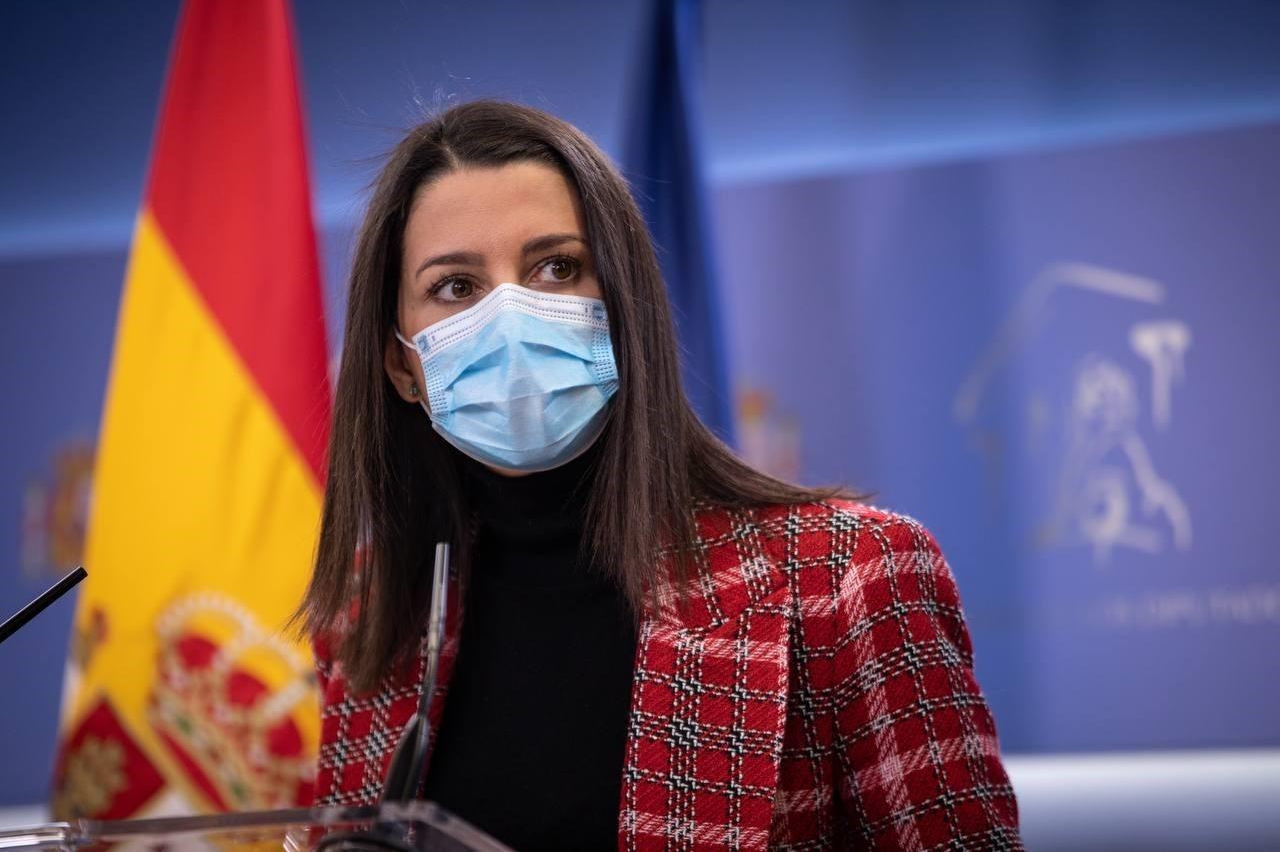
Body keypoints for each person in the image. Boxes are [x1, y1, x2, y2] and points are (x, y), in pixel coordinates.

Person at [299, 99, 1022, 851]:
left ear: (625, 305)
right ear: (400, 364)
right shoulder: (370, 613)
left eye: (557, 267)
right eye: (456, 287)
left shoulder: (850, 575)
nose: (510, 314)